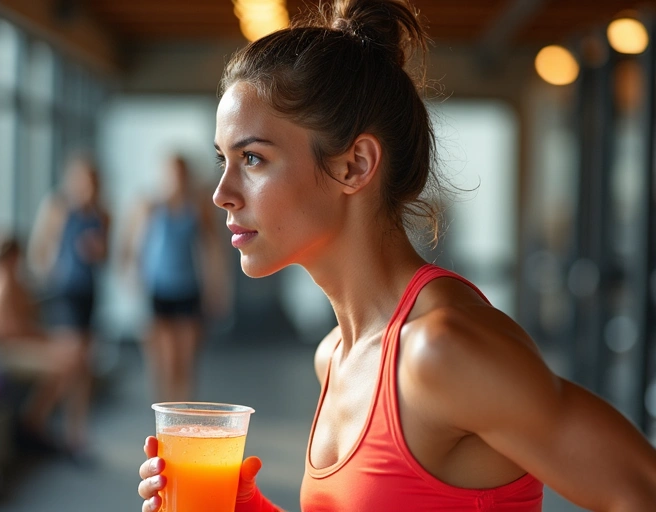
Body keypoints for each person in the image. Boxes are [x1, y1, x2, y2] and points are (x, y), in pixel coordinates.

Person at [138, 0, 656, 510]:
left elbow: (640, 490)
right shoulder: (335, 356)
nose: (221, 192)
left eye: (252, 158)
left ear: (354, 165)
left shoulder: (441, 352)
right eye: (223, 159)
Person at [0, 231, 89, 453]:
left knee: (74, 354)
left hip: (9, 348)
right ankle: (37, 424)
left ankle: (53, 426)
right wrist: (51, 343)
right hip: (5, 353)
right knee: (70, 363)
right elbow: (9, 332)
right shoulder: (2, 283)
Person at [120, 155, 226, 403]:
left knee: (186, 359)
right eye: (171, 174)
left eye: (180, 174)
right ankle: (165, 409)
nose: (176, 180)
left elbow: (212, 250)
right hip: (158, 290)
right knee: (164, 360)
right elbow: (132, 246)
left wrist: (217, 288)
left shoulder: (197, 207)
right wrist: (131, 279)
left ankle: (184, 408)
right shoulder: (149, 206)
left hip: (188, 289)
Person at [29, 152, 110, 451]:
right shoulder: (58, 208)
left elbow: (105, 256)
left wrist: (97, 251)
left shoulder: (101, 213)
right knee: (70, 360)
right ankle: (39, 419)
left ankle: (76, 431)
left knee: (83, 364)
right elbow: (39, 249)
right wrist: (54, 270)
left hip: (87, 293)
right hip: (64, 294)